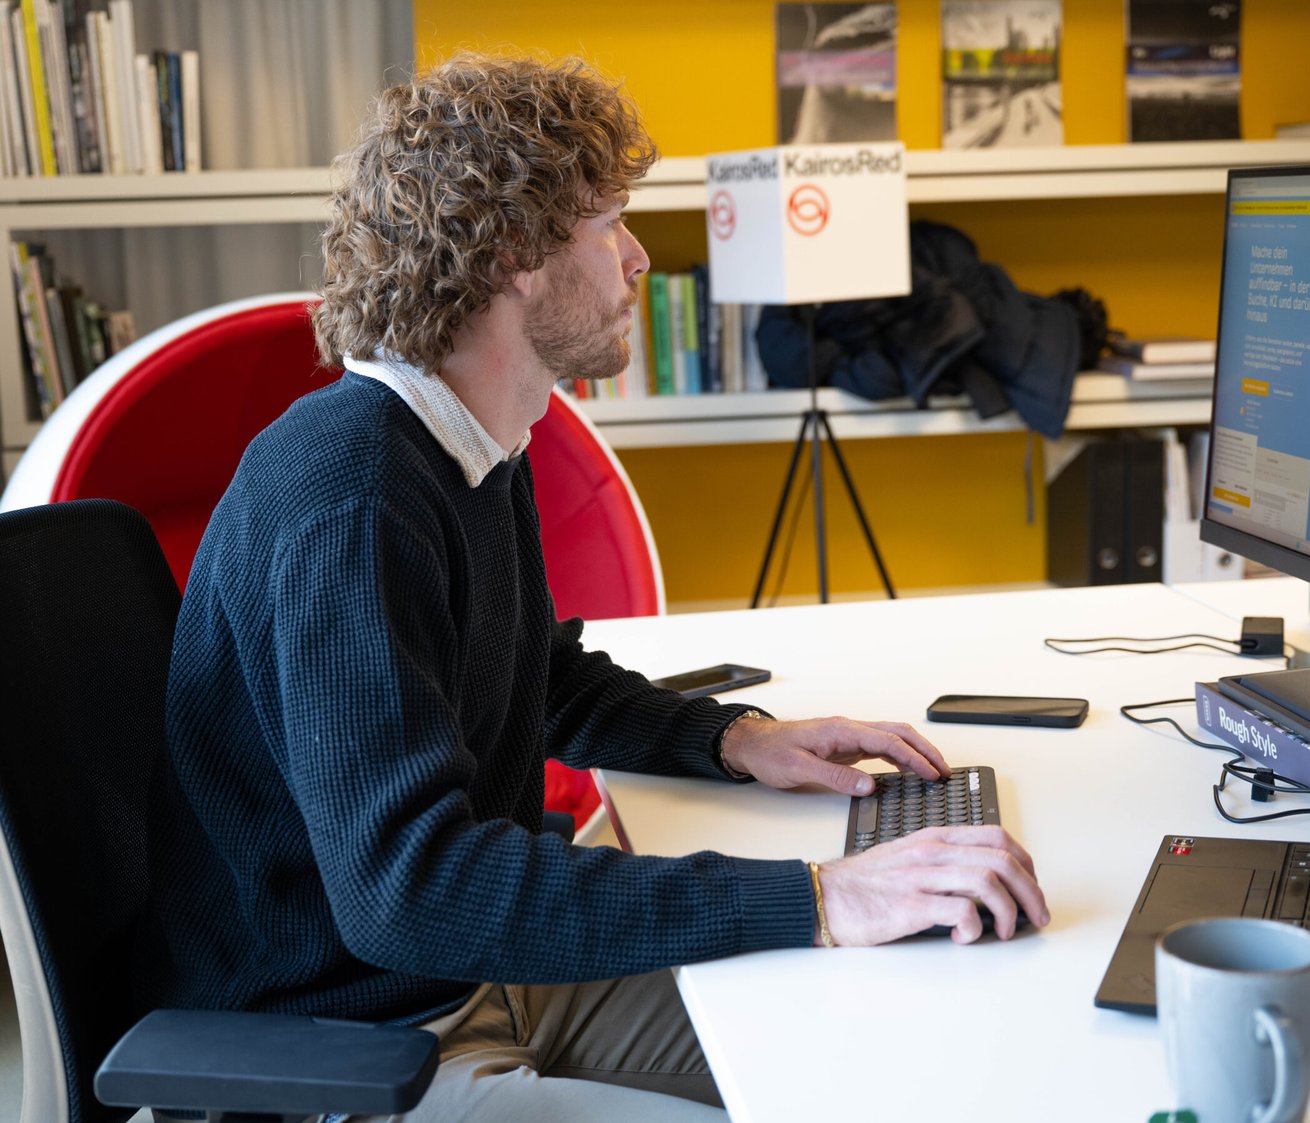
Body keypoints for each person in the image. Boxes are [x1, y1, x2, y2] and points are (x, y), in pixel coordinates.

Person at [143, 53, 1049, 1121]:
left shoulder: (472, 438)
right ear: (517, 251)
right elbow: (411, 888)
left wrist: (735, 739)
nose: (636, 258)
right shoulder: (352, 497)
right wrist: (816, 894)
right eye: (609, 223)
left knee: (899, 1044)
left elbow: (535, 672)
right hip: (356, 1044)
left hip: (481, 980)